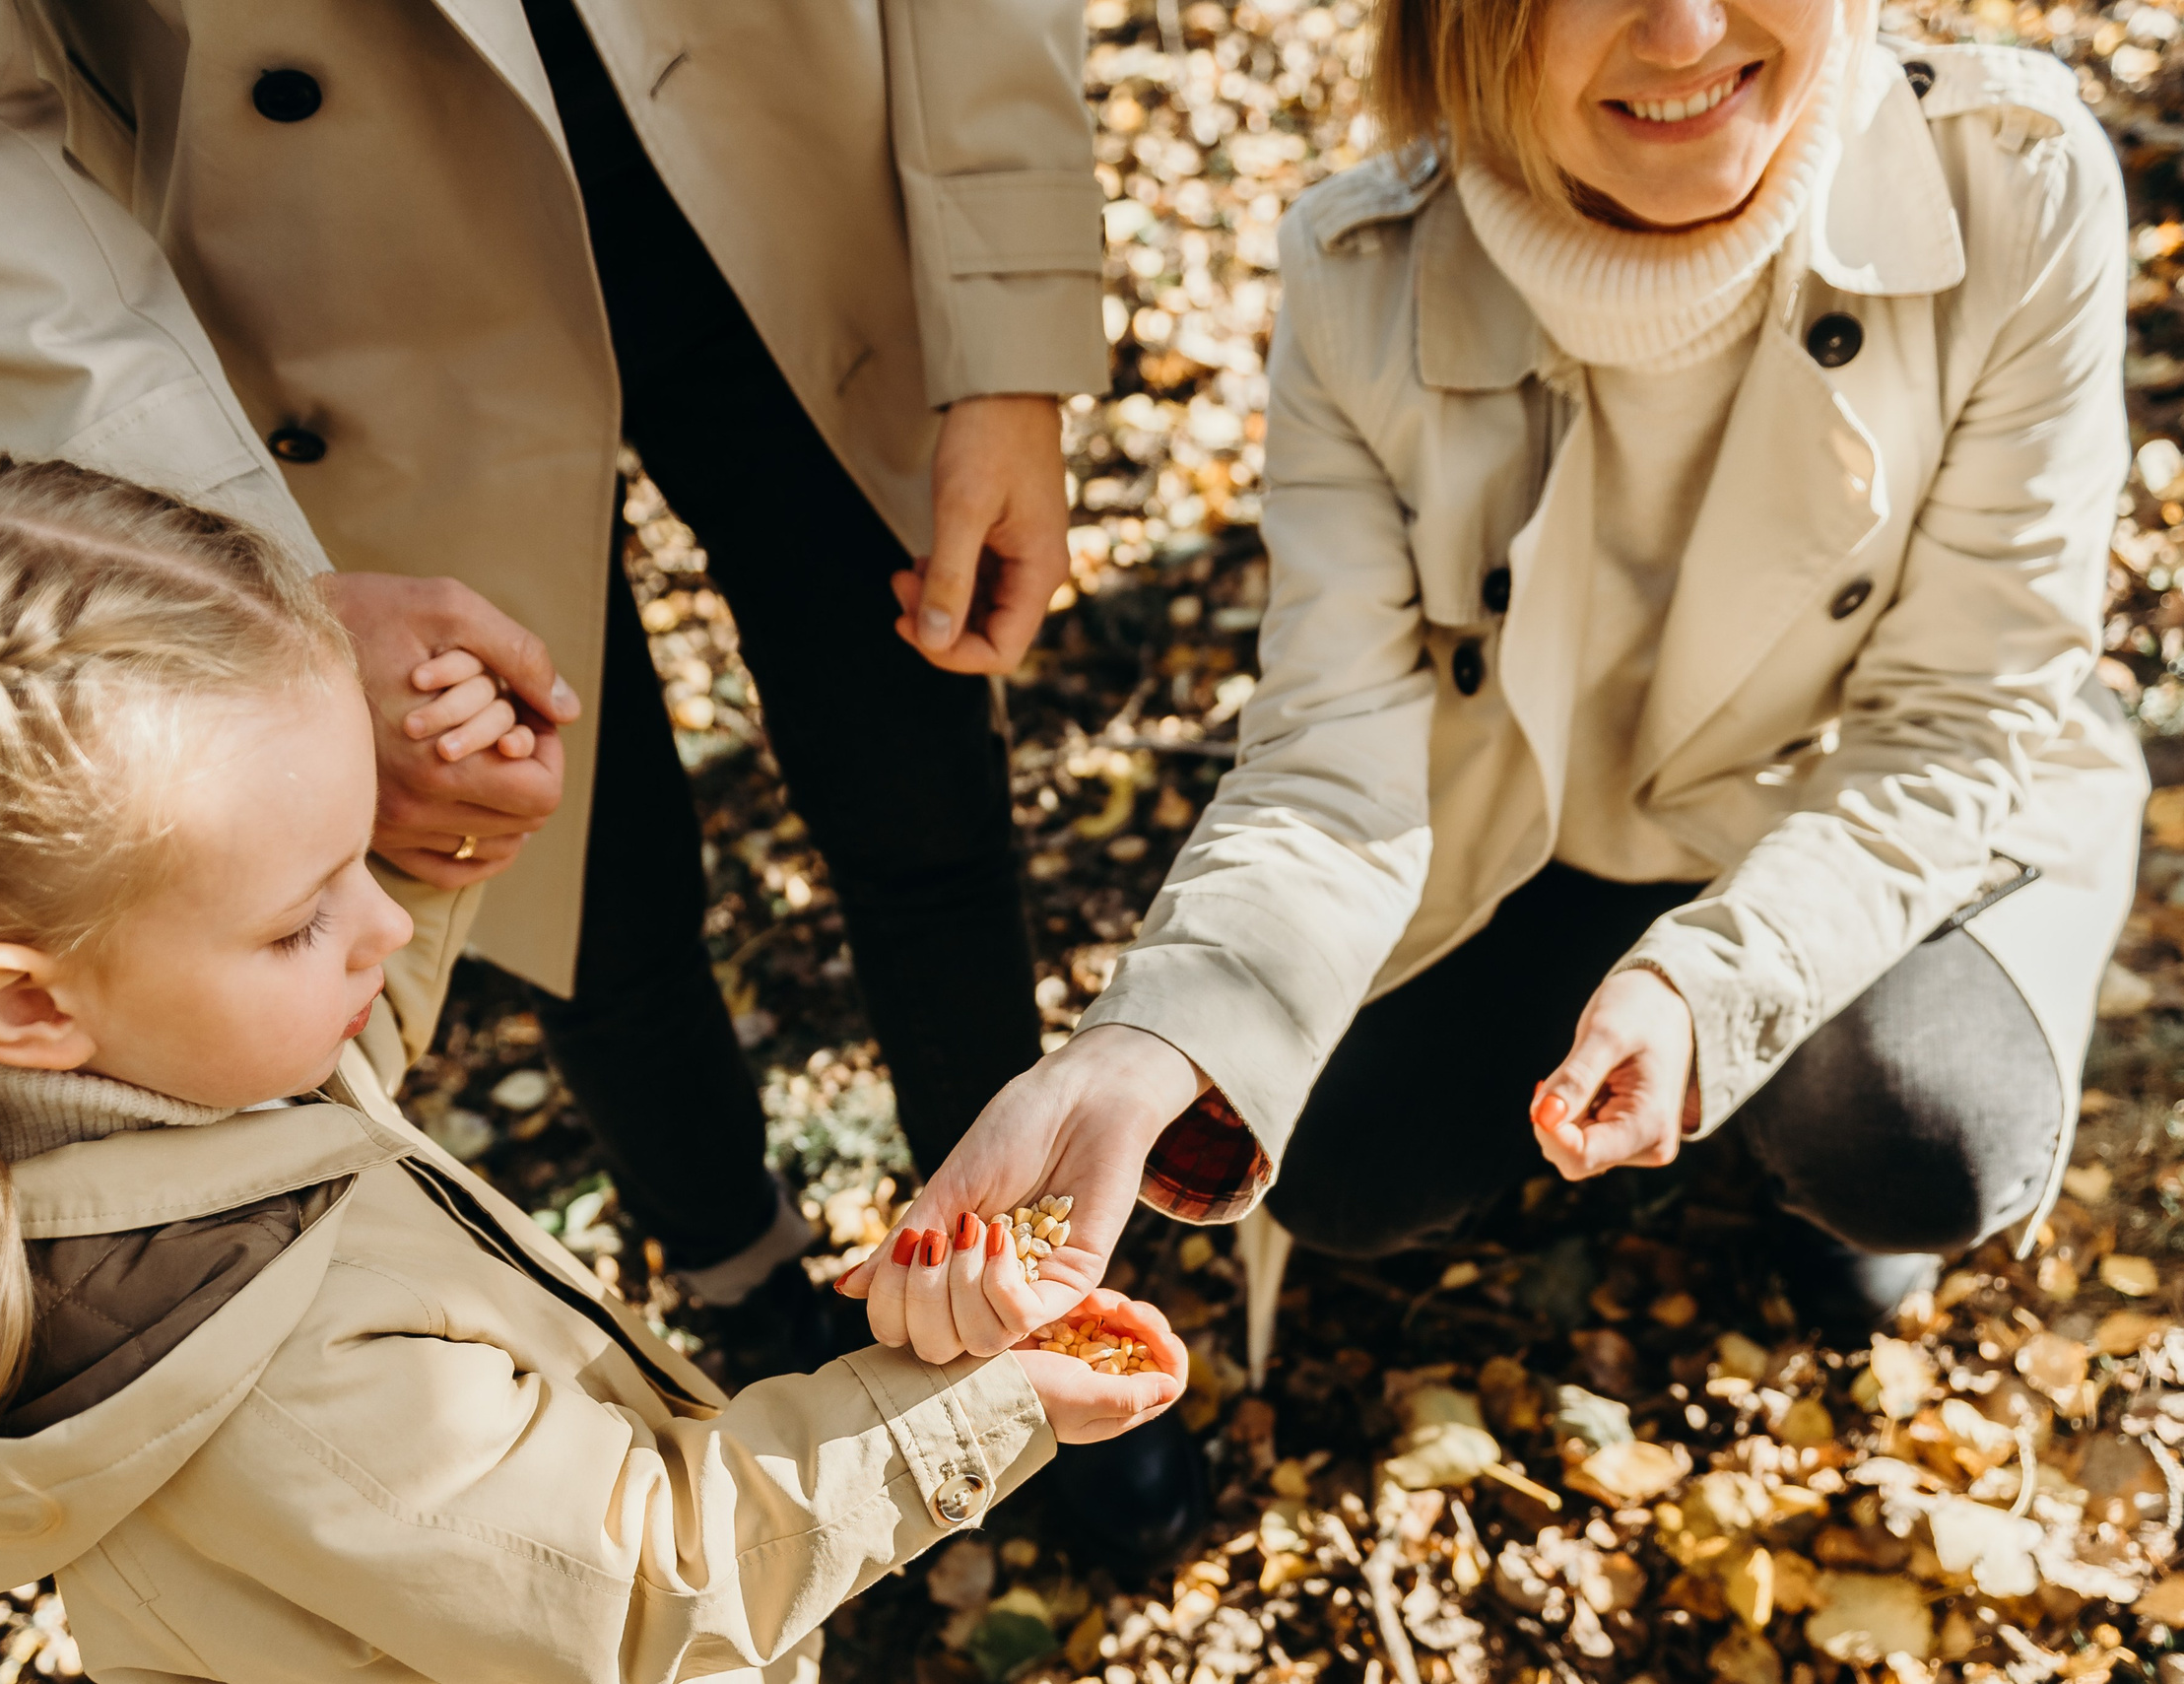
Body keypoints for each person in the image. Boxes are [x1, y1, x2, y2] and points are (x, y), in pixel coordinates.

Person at [0, 0, 1107, 1369]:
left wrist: (1003, 320)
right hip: (325, 292)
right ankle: (739, 1279)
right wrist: (242, 587)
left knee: (918, 783)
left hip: (799, 164)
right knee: (555, 872)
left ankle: (1019, 1271)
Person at [0, 457, 1185, 1683]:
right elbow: (658, 1583)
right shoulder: (285, 1382)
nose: (388, 926)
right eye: (305, 915)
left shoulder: (47, 1131)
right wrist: (992, 1401)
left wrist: (426, 827)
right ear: (25, 1004)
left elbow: (303, 1099)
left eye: (361, 858)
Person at [848, 0, 2144, 1361]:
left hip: (1853, 810)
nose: (1687, 30)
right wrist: (1146, 1040)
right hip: (1532, 827)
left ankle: (1812, 1170)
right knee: (1333, 1159)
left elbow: (1955, 715)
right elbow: (1331, 751)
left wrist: (1712, 994)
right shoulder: (1363, 275)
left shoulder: (2008, 186)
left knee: (1915, 1134)